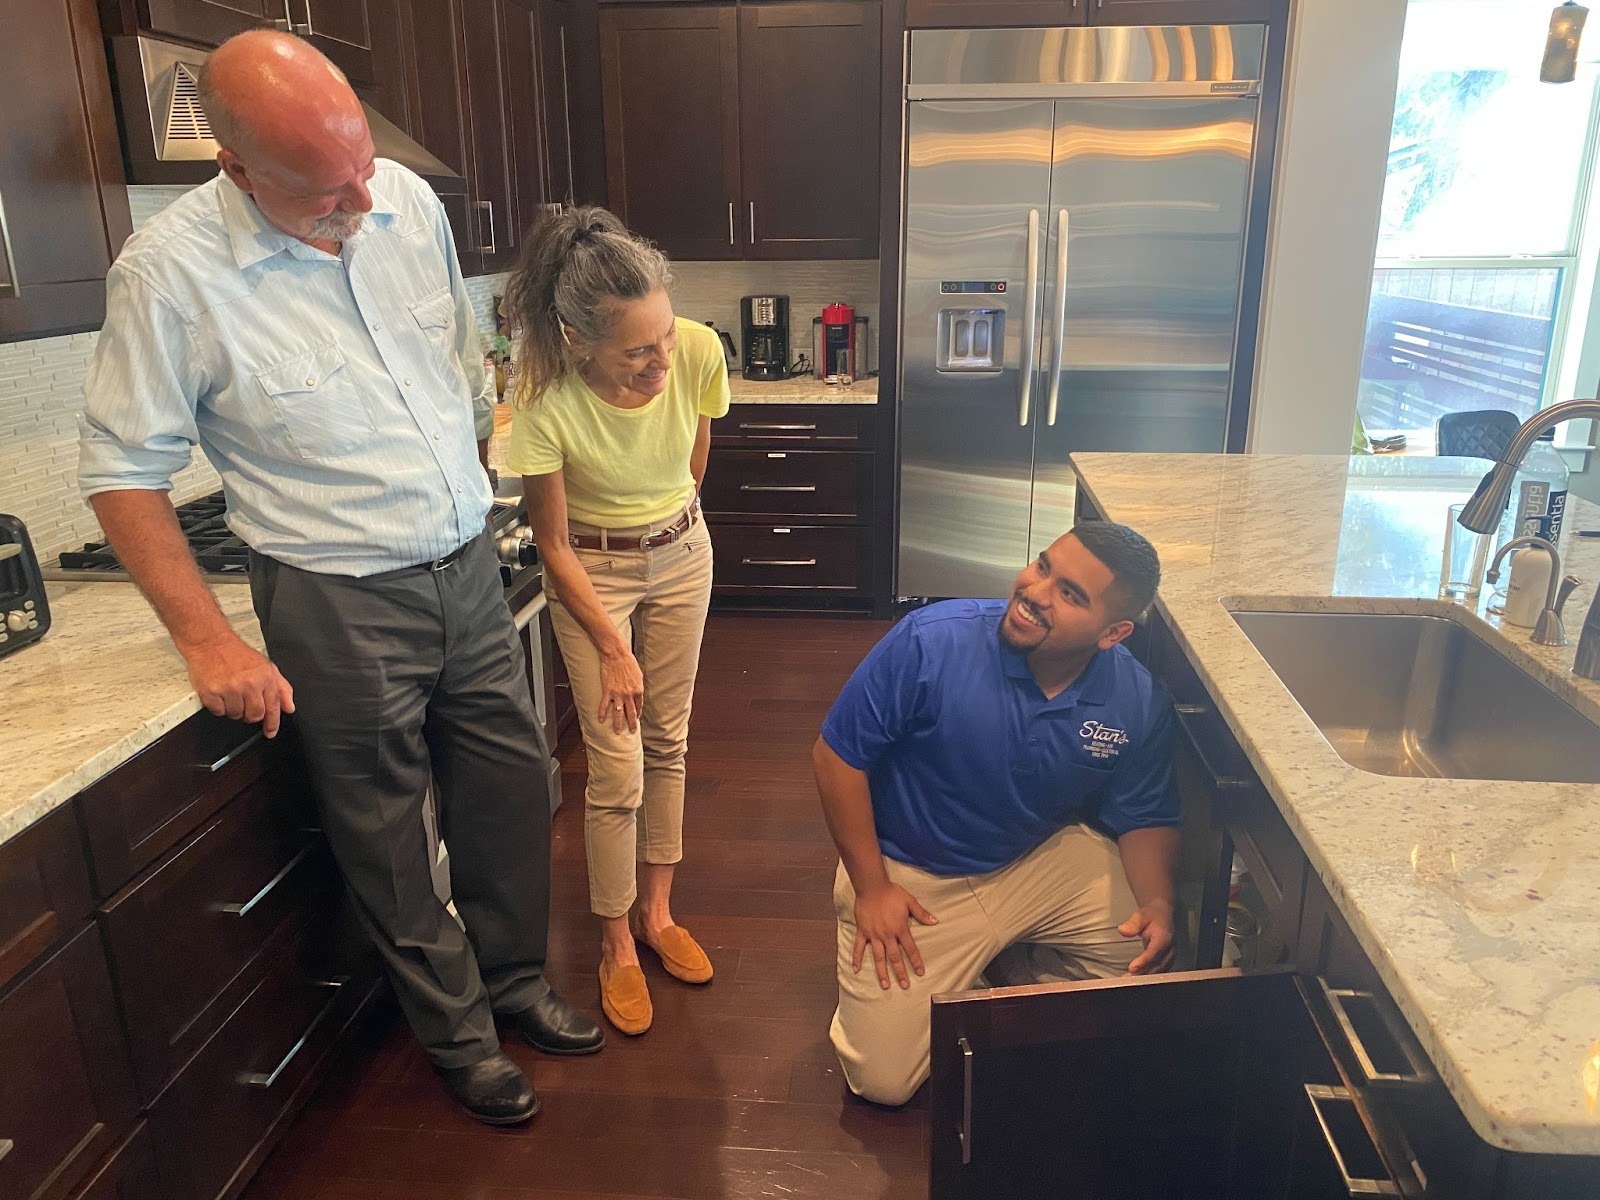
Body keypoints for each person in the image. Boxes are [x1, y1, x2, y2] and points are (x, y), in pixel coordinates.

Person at [75, 30, 601, 1127]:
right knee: (390, 835)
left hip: (463, 563)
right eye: (325, 192)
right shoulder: (169, 278)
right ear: (234, 168)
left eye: (362, 168)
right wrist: (206, 639)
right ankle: (458, 1036)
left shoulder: (405, 199)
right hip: (334, 595)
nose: (362, 201)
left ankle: (513, 983)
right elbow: (124, 474)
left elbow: (449, 358)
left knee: (512, 794)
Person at [814, 522, 1181, 1106]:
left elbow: (1145, 813)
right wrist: (871, 887)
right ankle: (965, 969)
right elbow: (837, 758)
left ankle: (998, 967)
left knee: (1143, 950)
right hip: (913, 871)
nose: (1035, 591)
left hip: (1032, 856)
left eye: (1070, 594)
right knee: (882, 1082)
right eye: (1042, 567)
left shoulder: (1136, 701)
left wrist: (1158, 902)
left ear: (1113, 633)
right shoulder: (931, 641)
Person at [502, 207, 726, 1037]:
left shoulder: (699, 350)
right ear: (578, 340)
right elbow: (552, 545)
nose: (661, 359)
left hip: (681, 553)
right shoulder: (546, 402)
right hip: (590, 571)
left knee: (670, 737)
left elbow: (693, 457)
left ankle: (657, 915)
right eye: (637, 349)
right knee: (616, 761)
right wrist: (610, 644)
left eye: (665, 335)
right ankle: (613, 945)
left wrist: (674, 529)